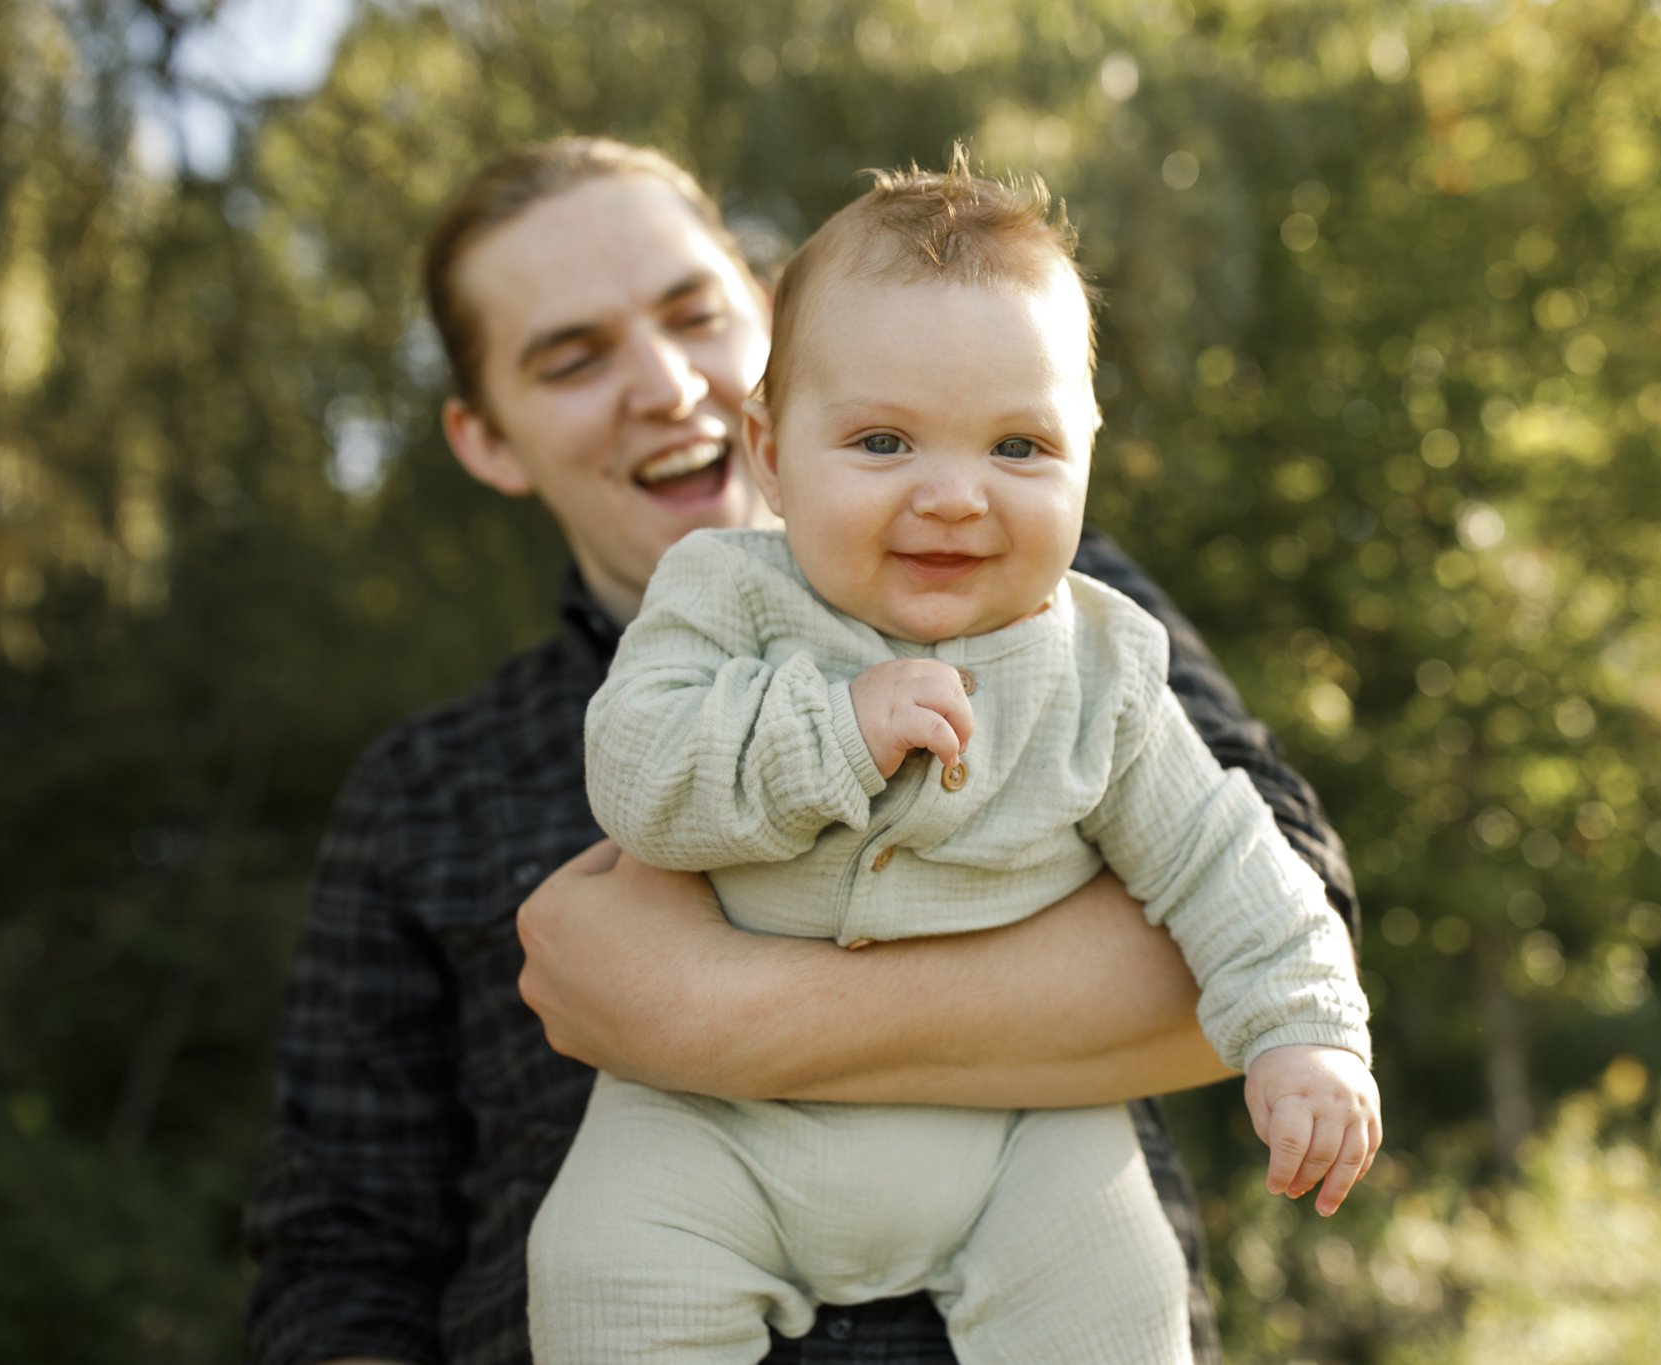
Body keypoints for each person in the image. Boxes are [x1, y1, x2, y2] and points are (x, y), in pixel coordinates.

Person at [241, 136, 1365, 1365]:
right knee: (598, 1261)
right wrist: (829, 732)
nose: (668, 385)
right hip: (692, 1181)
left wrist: (713, 1012)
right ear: (487, 438)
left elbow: (1259, 871)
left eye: (693, 313)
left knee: (1107, 1289)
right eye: (571, 358)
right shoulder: (427, 792)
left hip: (1024, 1173)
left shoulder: (1080, 623)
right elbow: (342, 1248)